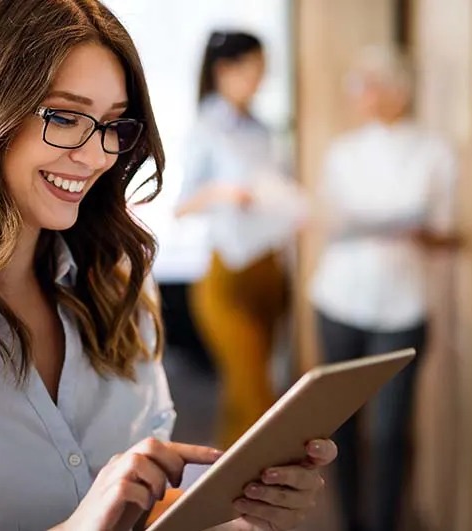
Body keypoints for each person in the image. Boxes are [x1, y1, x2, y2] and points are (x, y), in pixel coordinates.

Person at [0, 2, 337, 530]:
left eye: (113, 123)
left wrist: (240, 513)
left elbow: (152, 506)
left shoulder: (119, 289)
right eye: (64, 116)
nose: (96, 156)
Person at [308, 45, 459, 531]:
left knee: (392, 430)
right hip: (340, 300)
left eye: (370, 84)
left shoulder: (435, 151)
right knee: (342, 427)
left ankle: (385, 521)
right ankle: (350, 521)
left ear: (399, 90)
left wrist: (420, 232)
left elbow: (449, 231)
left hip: (404, 305)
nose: (362, 95)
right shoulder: (343, 153)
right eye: (358, 85)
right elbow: (328, 220)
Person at [174, 31, 307, 448]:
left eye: (264, 71)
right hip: (227, 271)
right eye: (253, 70)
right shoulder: (206, 129)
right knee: (257, 399)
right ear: (224, 71)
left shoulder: (263, 129)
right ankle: (253, 492)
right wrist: (225, 193)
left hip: (269, 269)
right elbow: (181, 206)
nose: (260, 80)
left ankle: (231, 500)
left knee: (242, 395)